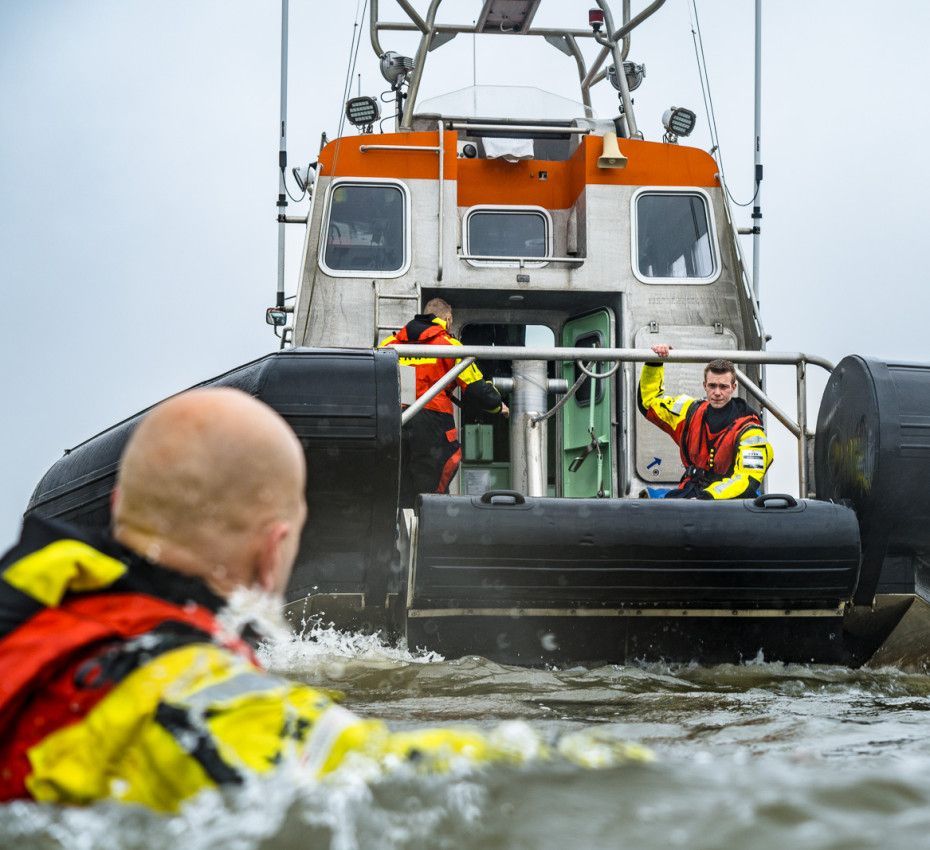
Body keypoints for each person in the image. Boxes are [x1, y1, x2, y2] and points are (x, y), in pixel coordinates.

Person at [0, 388, 648, 812]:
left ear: (117, 509)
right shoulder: (201, 706)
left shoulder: (29, 620)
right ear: (272, 550)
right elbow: (410, 781)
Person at [379, 298, 508, 506]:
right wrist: (497, 405)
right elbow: (475, 388)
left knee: (398, 489)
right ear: (447, 319)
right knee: (431, 495)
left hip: (393, 424)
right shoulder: (450, 346)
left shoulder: (388, 345)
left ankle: (399, 532)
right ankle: (428, 531)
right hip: (434, 427)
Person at [637, 344, 773, 499]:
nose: (717, 393)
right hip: (690, 491)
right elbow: (649, 404)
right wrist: (654, 362)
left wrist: (708, 497)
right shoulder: (689, 412)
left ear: (733, 387)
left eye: (723, 387)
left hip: (729, 501)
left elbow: (747, 479)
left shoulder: (750, 431)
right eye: (712, 386)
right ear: (704, 386)